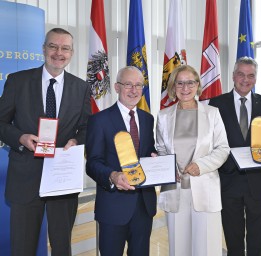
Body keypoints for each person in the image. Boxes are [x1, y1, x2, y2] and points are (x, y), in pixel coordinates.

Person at [0, 28, 91, 256]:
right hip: (25, 177)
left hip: (63, 178)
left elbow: (86, 128)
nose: (59, 53)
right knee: (23, 248)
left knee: (61, 247)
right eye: (53, 46)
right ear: (43, 48)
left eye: (65, 48)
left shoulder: (81, 88)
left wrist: (75, 140)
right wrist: (19, 137)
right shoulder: (17, 81)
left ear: (71, 53)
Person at [156, 65, 230, 256]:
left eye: (190, 82)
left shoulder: (212, 113)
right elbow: (161, 149)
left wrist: (201, 165)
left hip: (205, 188)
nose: (185, 87)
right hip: (175, 190)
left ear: (198, 85)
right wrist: (167, 168)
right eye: (180, 83)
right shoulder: (163, 116)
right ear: (173, 87)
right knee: (178, 247)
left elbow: (223, 148)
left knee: (206, 248)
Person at [209, 57, 261, 256]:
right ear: (233, 76)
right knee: (233, 238)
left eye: (251, 75)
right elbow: (210, 142)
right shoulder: (216, 104)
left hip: (258, 182)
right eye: (241, 74)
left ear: (255, 78)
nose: (245, 79)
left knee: (258, 238)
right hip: (228, 181)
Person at [86, 66, 157, 255]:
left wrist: (156, 159)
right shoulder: (99, 120)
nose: (134, 90)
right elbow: (92, 163)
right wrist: (112, 175)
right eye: (128, 84)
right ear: (117, 87)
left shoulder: (148, 119)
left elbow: (149, 151)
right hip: (112, 207)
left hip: (144, 206)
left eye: (138, 85)